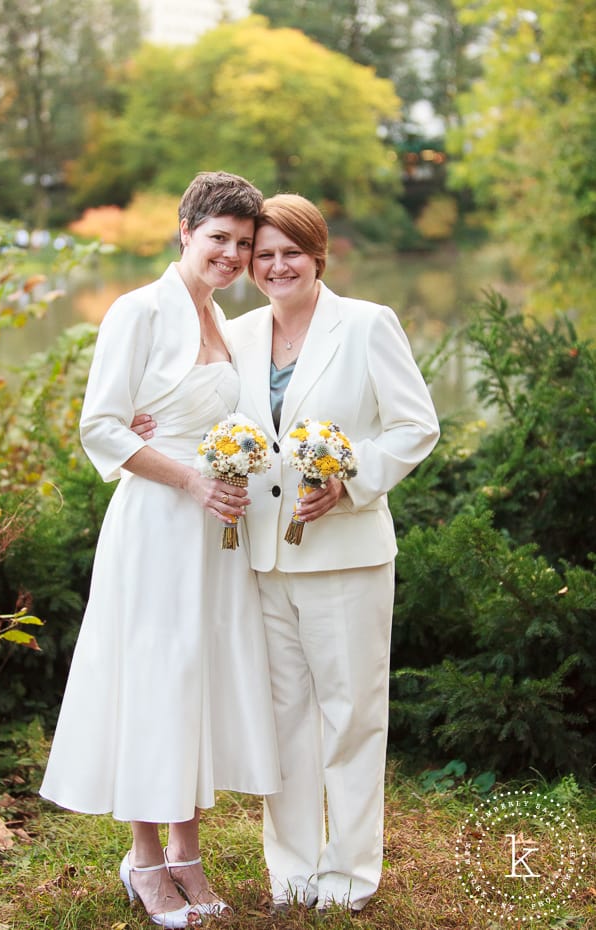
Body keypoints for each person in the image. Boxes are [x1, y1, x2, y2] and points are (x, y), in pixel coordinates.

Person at [133, 193, 440, 914]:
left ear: (317, 255)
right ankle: (294, 873)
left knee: (351, 718)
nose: (273, 266)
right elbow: (203, 408)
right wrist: (153, 420)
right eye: (260, 253)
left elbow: (415, 426)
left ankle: (348, 876)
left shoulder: (367, 325)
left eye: (288, 253)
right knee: (287, 722)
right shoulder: (235, 333)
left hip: (347, 557)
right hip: (262, 559)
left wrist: (351, 479)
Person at [40, 172, 281, 928]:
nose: (232, 255)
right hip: (157, 520)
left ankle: (187, 854)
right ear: (184, 230)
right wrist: (190, 479)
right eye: (219, 239)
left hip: (213, 533)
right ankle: (145, 862)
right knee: (154, 676)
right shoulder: (136, 310)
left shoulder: (226, 322)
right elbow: (103, 428)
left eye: (244, 245)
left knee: (196, 679)